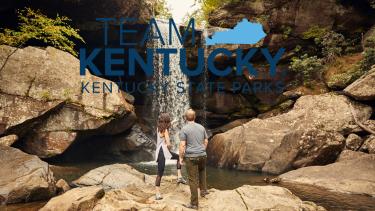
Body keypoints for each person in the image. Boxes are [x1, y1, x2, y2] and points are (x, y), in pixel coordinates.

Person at [179, 109, 209, 209]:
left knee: (192, 179)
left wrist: (180, 158)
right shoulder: (201, 127)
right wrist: (202, 150)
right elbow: (206, 141)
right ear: (195, 117)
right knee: (202, 171)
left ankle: (194, 203)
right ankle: (204, 191)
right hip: (202, 154)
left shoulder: (184, 129)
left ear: (185, 118)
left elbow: (182, 145)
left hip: (191, 156)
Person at [155, 113, 187, 200]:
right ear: (167, 121)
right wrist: (170, 146)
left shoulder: (158, 127)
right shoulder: (165, 131)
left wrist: (173, 122)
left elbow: (166, 126)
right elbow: (168, 144)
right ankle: (157, 193)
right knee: (160, 173)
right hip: (163, 151)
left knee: (177, 157)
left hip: (160, 151)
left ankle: (179, 177)